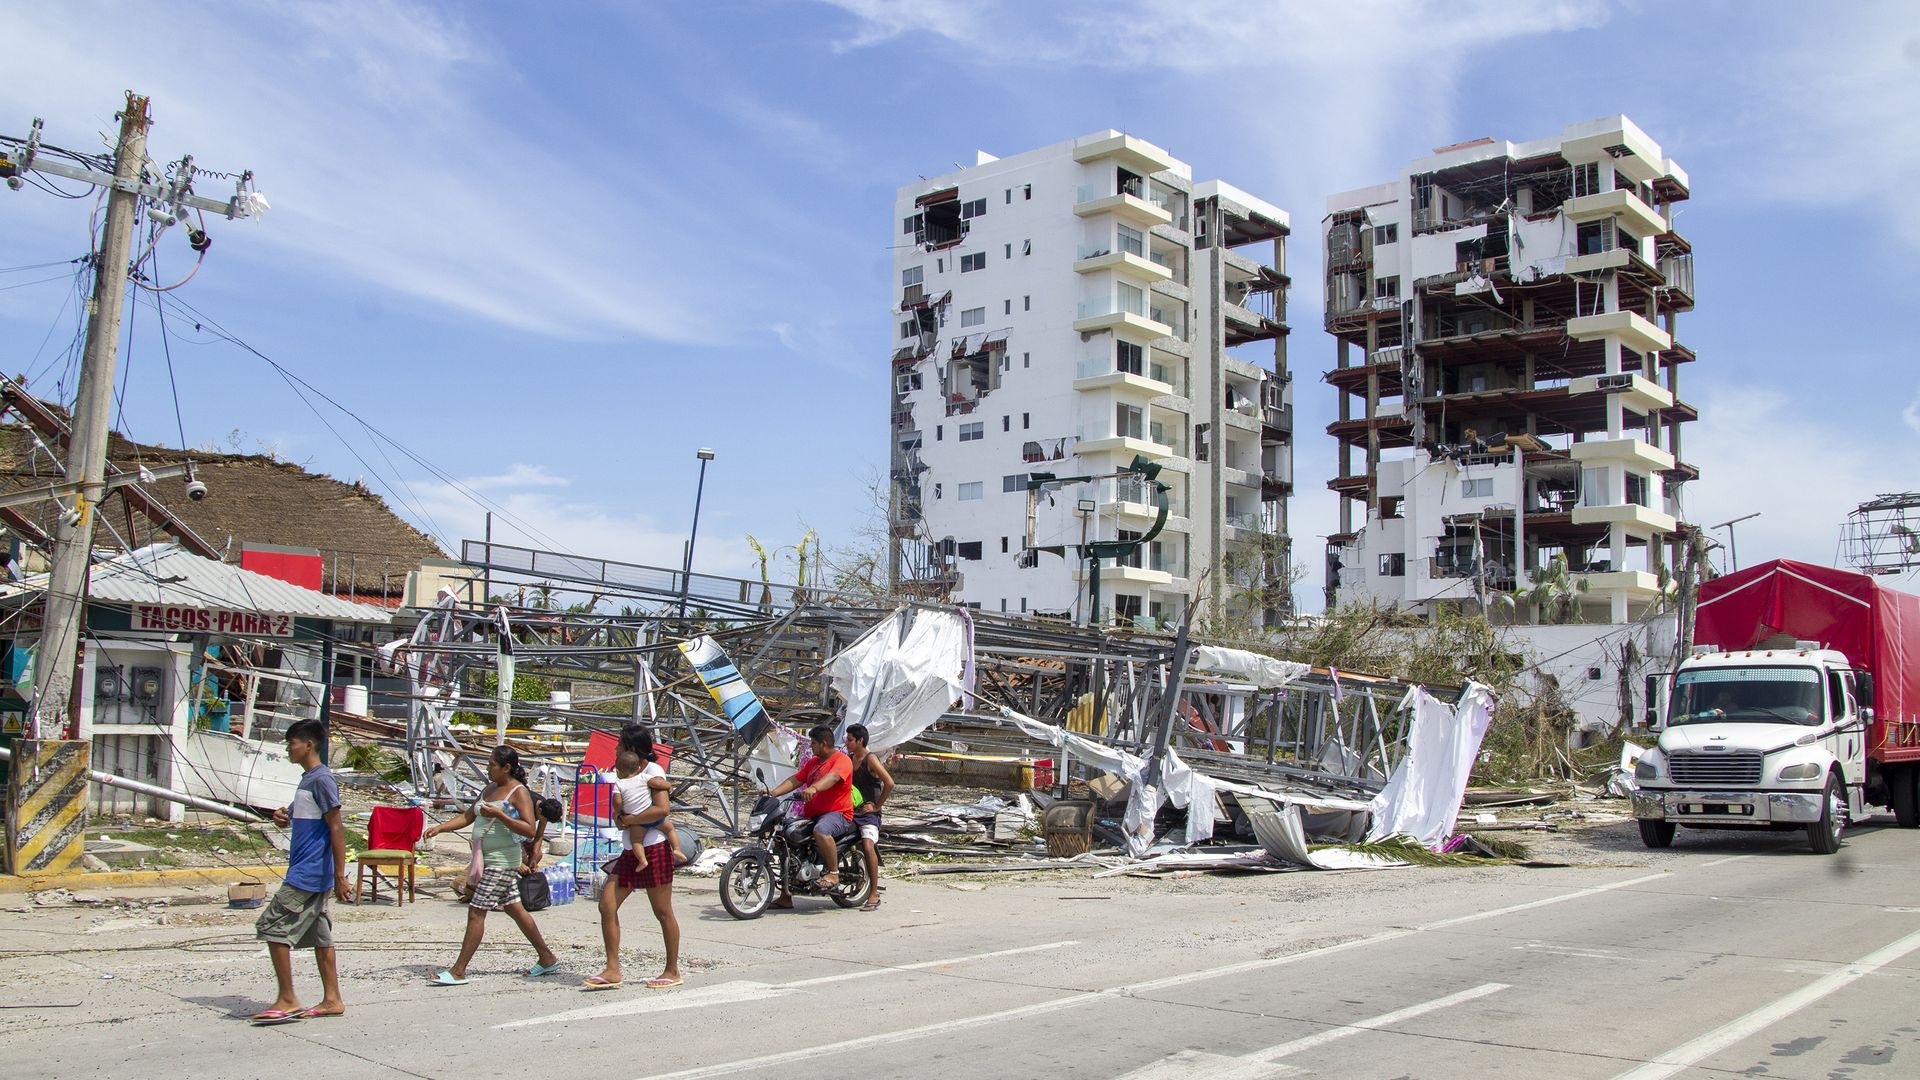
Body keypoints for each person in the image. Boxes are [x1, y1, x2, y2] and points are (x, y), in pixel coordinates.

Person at [422, 746, 561, 985]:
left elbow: (529, 829)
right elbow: (468, 816)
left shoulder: (518, 793)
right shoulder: (489, 789)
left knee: (476, 911)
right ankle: (547, 958)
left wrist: (500, 816)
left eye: (492, 765)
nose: (488, 768)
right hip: (486, 859)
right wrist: (440, 828)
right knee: (514, 909)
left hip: (502, 862)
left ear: (506, 768)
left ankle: (458, 971)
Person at [252, 719, 350, 1025]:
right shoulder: (308, 780)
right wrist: (285, 815)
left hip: (308, 873)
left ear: (309, 744)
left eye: (291, 743)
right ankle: (332, 998)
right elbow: (303, 814)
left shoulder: (322, 779)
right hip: (308, 870)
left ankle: (288, 998)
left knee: (272, 927)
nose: (288, 749)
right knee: (320, 936)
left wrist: (340, 874)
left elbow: (336, 827)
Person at [586, 725, 682, 991]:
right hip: (630, 849)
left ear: (631, 748)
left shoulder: (653, 772)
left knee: (662, 912)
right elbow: (620, 809)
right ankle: (612, 968)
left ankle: (672, 969)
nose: (615, 748)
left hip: (654, 847)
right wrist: (620, 819)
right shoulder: (623, 773)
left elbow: (662, 810)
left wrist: (631, 820)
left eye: (619, 744)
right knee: (607, 905)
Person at [766, 724, 855, 907]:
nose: (811, 747)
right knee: (786, 838)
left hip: (837, 814)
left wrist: (814, 787)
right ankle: (786, 895)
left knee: (821, 831)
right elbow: (795, 780)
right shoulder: (813, 763)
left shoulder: (842, 760)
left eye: (813, 743)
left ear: (824, 744)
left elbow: (832, 778)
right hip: (813, 815)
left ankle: (833, 873)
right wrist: (772, 793)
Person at [845, 724, 893, 913]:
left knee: (867, 845)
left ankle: (874, 894)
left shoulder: (870, 759)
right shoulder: (850, 760)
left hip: (869, 816)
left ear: (860, 741)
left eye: (849, 740)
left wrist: (876, 806)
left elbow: (889, 783)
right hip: (852, 811)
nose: (847, 743)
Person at [519, 797, 565, 874]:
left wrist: (534, 857)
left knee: (538, 855)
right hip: (512, 834)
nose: (544, 822)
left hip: (523, 836)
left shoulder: (545, 807)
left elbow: (539, 834)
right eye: (545, 820)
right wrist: (519, 862)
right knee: (524, 860)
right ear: (539, 811)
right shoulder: (526, 806)